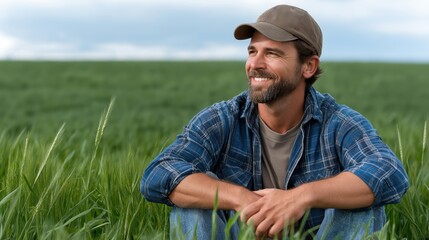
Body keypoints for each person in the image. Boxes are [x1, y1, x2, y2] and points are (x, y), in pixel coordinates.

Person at [141, 4, 409, 239]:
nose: (255, 64)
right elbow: (159, 173)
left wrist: (300, 198)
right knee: (196, 197)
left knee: (359, 204)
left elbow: (388, 172)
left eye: (272, 54)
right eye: (252, 51)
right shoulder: (221, 119)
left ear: (308, 67)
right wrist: (240, 199)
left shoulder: (338, 123)